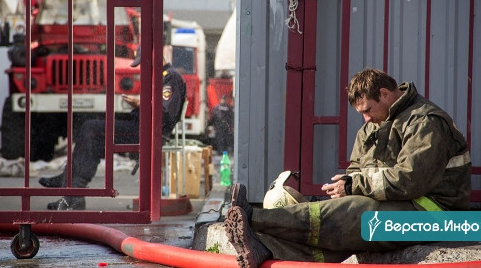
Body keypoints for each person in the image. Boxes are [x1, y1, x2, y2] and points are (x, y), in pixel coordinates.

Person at [224, 68, 471, 267]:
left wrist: (354, 185)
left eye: (367, 110)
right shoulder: (371, 127)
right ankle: (264, 248)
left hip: (438, 217)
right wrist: (346, 184)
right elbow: (358, 170)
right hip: (405, 208)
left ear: (384, 94)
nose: (365, 119)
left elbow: (409, 180)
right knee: (343, 222)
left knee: (360, 213)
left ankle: (254, 220)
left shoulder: (425, 122)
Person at [39, 45, 186, 210]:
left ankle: (69, 183)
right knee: (92, 136)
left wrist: (138, 103)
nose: (142, 67)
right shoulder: (160, 77)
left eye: (144, 62)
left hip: (150, 132)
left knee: (91, 129)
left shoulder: (170, 78)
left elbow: (165, 114)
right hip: (142, 126)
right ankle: (73, 192)